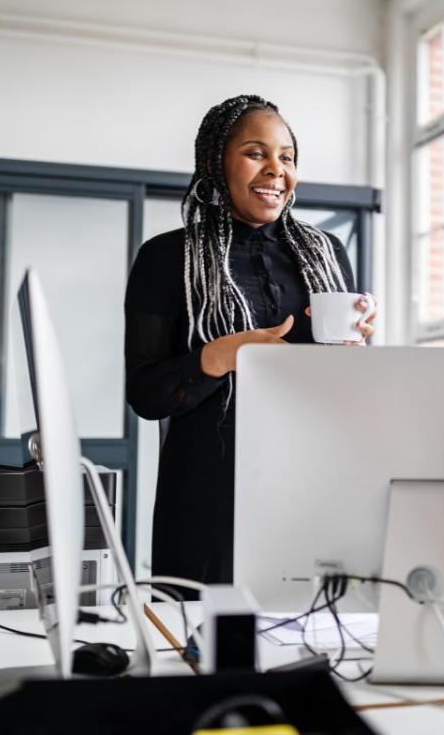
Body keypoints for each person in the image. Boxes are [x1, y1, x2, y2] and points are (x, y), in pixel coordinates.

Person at [124, 94, 377, 586]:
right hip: (209, 497)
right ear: (216, 163)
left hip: (313, 483)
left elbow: (346, 388)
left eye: (286, 157)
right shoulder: (167, 258)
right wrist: (221, 356)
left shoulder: (328, 253)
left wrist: (358, 348)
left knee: (315, 642)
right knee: (209, 650)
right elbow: (147, 395)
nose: (276, 170)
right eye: (256, 153)